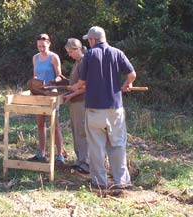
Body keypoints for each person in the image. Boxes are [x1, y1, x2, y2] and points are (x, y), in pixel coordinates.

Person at [72, 26, 136, 189]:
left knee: (96, 147)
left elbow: (82, 83)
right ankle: (121, 181)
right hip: (115, 109)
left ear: (93, 40)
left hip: (94, 109)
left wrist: (75, 87)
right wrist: (127, 84)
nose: (89, 42)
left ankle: (100, 182)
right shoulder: (117, 53)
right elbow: (132, 74)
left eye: (89, 40)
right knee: (117, 146)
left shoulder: (89, 55)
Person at [28, 33, 65, 164]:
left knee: (54, 124)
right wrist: (33, 85)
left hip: (51, 93)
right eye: (39, 46)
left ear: (49, 43)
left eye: (43, 46)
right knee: (40, 124)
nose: (41, 49)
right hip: (38, 94)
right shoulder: (35, 58)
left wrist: (52, 82)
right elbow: (35, 76)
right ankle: (41, 153)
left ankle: (60, 155)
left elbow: (60, 76)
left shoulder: (54, 57)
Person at [63, 38, 89, 174]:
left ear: (77, 49)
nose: (69, 54)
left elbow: (85, 86)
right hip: (74, 102)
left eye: (70, 51)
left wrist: (70, 96)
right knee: (75, 130)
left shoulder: (84, 62)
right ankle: (80, 160)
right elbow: (73, 83)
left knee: (81, 131)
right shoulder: (77, 63)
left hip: (82, 102)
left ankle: (86, 163)